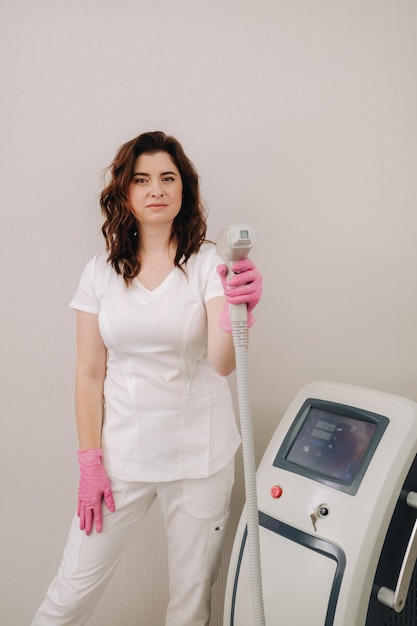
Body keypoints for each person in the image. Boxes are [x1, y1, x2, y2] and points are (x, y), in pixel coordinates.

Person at [31, 131, 262, 626]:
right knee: (69, 592)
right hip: (122, 459)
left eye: (167, 178)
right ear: (126, 194)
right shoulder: (99, 274)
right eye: (142, 179)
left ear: (183, 191)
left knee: (190, 605)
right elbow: (89, 373)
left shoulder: (209, 265)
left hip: (199, 456)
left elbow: (223, 363)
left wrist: (239, 310)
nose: (155, 188)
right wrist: (90, 461)